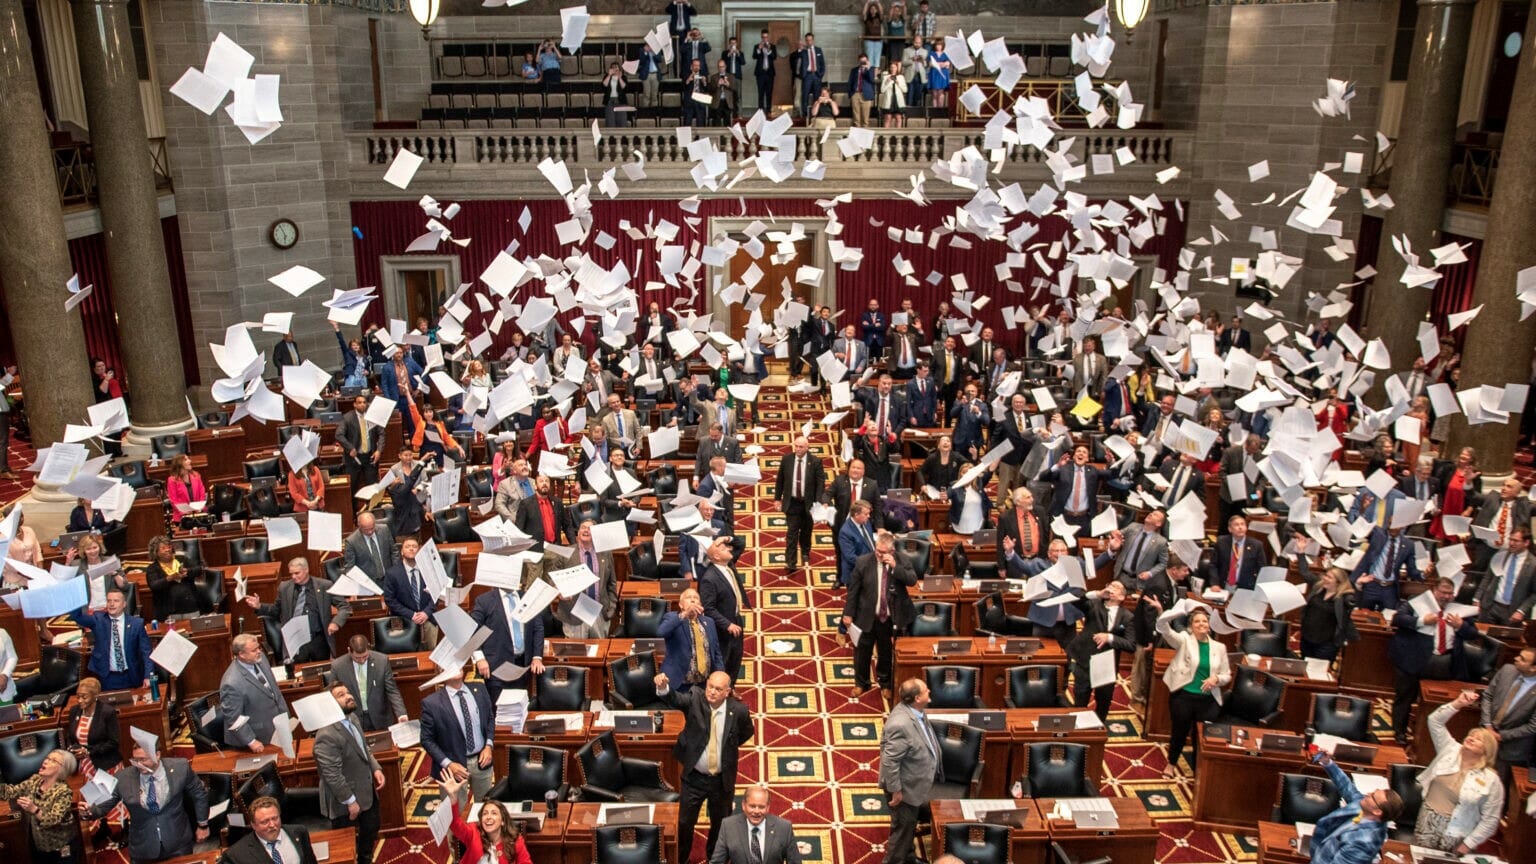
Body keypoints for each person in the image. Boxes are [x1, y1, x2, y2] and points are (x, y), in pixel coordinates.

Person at [654, 670, 753, 864]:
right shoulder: (695, 698)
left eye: (718, 689)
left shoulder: (739, 711)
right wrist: (663, 687)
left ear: (727, 692)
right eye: (710, 687)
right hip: (694, 778)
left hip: (721, 781)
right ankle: (681, 859)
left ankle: (714, 859)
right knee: (684, 823)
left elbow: (745, 733)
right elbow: (675, 699)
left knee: (720, 824)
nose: (712, 692)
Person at [83, 739, 209, 864]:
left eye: (143, 760)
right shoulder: (122, 777)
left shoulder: (181, 766)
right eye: (135, 760)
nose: (139, 764)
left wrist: (202, 825)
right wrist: (88, 811)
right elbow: (99, 806)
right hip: (143, 848)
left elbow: (199, 793)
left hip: (178, 844)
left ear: (157, 755)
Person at [1389, 577, 1478, 745]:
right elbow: (1398, 619)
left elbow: (1473, 633)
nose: (1446, 597)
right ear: (1433, 590)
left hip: (1443, 662)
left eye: (1450, 593)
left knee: (1436, 700)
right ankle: (1399, 732)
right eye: (1443, 592)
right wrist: (1421, 621)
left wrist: (1461, 626)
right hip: (1413, 659)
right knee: (1405, 697)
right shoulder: (1417, 602)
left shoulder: (1459, 609)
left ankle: (1428, 737)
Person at [1412, 691, 1504, 853]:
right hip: (1427, 818)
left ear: (1487, 750)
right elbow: (1434, 721)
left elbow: (1490, 820)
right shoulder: (1450, 749)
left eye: (1478, 739)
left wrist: (1467, 845)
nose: (1471, 738)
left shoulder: (1491, 780)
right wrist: (1458, 703)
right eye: (1470, 735)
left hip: (1458, 830)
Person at [1148, 603, 1229, 776]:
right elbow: (1163, 627)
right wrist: (1175, 612)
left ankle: (1198, 768)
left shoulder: (1219, 648)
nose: (1201, 624)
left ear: (1209, 626)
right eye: (1197, 622)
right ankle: (1171, 764)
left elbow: (1227, 675)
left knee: (1201, 737)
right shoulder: (1184, 640)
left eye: (1205, 622)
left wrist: (1216, 678)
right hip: (1184, 696)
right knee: (1179, 731)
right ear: (1191, 626)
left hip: (1208, 699)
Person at [314, 685, 386, 864]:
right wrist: (350, 801)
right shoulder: (326, 735)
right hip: (345, 801)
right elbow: (332, 775)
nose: (348, 696)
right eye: (341, 695)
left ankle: (365, 860)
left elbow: (364, 748)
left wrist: (375, 767)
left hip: (366, 789)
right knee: (346, 845)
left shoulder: (352, 718)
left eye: (347, 692)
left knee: (371, 828)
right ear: (330, 704)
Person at [843, 531, 917, 698]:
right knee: (862, 652)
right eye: (877, 550)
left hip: (889, 618)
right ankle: (861, 683)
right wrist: (848, 614)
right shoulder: (863, 562)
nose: (879, 554)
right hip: (866, 616)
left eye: (883, 552)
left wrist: (895, 567)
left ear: (891, 551)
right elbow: (853, 591)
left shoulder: (901, 560)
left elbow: (912, 580)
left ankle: (885, 683)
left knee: (885, 653)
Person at [879, 678, 941, 864]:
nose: (929, 690)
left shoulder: (914, 711)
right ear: (917, 698)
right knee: (902, 833)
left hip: (913, 784)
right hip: (904, 790)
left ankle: (909, 858)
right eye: (925, 690)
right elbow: (890, 761)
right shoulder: (900, 724)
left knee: (907, 828)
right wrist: (896, 791)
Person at [246, 558, 352, 663]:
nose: (293, 577)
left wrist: (336, 622)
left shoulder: (324, 585)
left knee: (321, 671)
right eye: (291, 574)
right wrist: (259, 606)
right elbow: (275, 610)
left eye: (297, 573)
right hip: (296, 640)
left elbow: (345, 606)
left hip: (318, 640)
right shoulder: (284, 587)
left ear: (306, 570)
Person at [1306, 749, 1402, 864]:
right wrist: (1328, 763)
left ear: (1377, 811)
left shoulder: (1363, 843)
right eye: (1373, 792)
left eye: (1373, 796)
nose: (1368, 794)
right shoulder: (1364, 807)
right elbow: (1347, 787)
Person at [420, 663, 496, 806]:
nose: (455, 666)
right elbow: (426, 739)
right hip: (453, 768)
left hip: (482, 762)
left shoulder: (479, 689)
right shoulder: (432, 703)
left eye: (457, 663)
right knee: (455, 813)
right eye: (449, 665)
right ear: (441, 674)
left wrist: (489, 745)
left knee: (486, 808)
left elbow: (490, 718)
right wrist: (448, 764)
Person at [1067, 581, 1136, 722]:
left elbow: (1131, 644)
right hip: (1086, 660)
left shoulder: (1127, 617)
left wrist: (1110, 638)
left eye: (1116, 587)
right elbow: (1074, 600)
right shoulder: (1093, 605)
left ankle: (1098, 729)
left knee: (1103, 701)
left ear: (1122, 597)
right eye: (1110, 585)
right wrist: (1097, 594)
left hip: (1107, 666)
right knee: (1080, 698)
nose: (1112, 588)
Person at [470, 578, 546, 703]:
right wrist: (480, 658)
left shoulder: (527, 598)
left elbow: (538, 628)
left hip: (523, 666)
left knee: (519, 710)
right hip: (496, 667)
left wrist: (537, 656)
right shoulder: (485, 600)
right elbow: (472, 630)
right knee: (499, 713)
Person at [0, 750, 80, 864]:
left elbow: (53, 819)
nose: (46, 761)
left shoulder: (63, 792)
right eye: (47, 758)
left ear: (62, 769)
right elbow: (10, 792)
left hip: (60, 848)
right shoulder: (35, 780)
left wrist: (34, 809)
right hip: (40, 845)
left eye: (53, 760)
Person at [69, 585, 151, 692]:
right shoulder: (98, 619)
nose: (112, 604)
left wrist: (148, 676)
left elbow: (146, 652)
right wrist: (76, 596)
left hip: (132, 675)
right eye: (109, 601)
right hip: (107, 677)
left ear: (124, 604)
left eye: (116, 601)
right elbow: (77, 617)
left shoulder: (136, 624)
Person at [438, 773, 532, 864]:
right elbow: (454, 823)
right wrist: (453, 797)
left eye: (494, 813)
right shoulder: (473, 833)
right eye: (485, 814)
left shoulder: (515, 841)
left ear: (502, 821)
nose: (488, 817)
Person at [219, 634, 287, 752]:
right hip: (258, 736)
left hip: (279, 724)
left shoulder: (261, 658)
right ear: (241, 654)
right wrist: (251, 741)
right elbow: (233, 717)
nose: (259, 651)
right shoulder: (231, 683)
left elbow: (272, 689)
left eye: (258, 647)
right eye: (254, 650)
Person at [555, 520, 618, 639]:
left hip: (599, 613)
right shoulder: (565, 554)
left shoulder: (605, 554)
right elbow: (553, 581)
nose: (586, 530)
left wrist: (611, 607)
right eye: (583, 528)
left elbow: (612, 583)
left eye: (589, 529)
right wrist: (559, 593)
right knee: (577, 656)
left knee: (599, 653)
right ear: (578, 533)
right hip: (574, 613)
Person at [330, 636, 407, 732]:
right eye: (357, 658)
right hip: (353, 718)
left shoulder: (382, 661)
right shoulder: (338, 666)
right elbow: (331, 696)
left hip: (380, 718)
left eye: (365, 656)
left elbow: (392, 690)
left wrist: (401, 713)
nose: (362, 661)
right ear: (349, 651)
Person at [1480, 648, 1536, 780]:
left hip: (1511, 749)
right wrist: (1488, 726)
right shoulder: (1507, 670)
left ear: (1534, 668)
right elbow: (1488, 696)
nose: (1516, 658)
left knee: (1496, 785)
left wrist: (1500, 736)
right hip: (1484, 737)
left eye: (1522, 659)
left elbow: (1533, 726)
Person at [709, 785, 801, 864]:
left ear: (768, 807)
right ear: (743, 805)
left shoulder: (784, 828)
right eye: (752, 806)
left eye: (761, 807)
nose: (756, 811)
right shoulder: (728, 826)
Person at [699, 537, 749, 682]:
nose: (728, 548)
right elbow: (708, 609)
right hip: (722, 628)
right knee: (724, 660)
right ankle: (720, 691)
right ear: (716, 556)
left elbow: (740, 544)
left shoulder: (729, 565)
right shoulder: (709, 578)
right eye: (723, 548)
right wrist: (727, 624)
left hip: (736, 619)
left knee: (736, 656)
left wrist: (726, 538)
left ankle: (730, 688)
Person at [774, 436, 826, 574]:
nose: (797, 449)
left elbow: (820, 483)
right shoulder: (787, 459)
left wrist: (818, 503)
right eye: (796, 446)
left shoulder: (815, 461)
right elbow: (780, 480)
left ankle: (805, 550)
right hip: (792, 502)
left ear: (807, 447)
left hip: (808, 503)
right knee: (792, 531)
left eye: (801, 447)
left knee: (806, 529)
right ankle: (790, 562)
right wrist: (777, 498)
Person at [219, 796, 319, 864]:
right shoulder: (236, 854)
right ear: (253, 825)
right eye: (265, 822)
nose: (272, 825)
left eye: (275, 818)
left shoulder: (299, 832)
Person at [1294, 554, 1358, 662]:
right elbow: (1305, 572)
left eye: (1329, 577)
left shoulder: (1344, 598)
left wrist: (1359, 586)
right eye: (1325, 575)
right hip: (1307, 638)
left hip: (1326, 644)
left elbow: (1352, 602)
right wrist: (1300, 553)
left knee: (1318, 671)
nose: (1325, 579)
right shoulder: (1318, 587)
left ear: (1338, 582)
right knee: (1303, 665)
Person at [659, 588, 724, 691]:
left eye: (696, 598)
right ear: (681, 604)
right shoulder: (673, 618)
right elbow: (661, 632)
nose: (693, 600)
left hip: (703, 685)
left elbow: (716, 653)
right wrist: (684, 614)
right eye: (689, 598)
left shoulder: (709, 622)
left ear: (700, 604)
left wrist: (720, 677)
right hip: (679, 684)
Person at [1475, 527, 1534, 625]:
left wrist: (1521, 611)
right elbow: (1487, 578)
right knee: (1483, 639)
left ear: (1526, 542)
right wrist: (1477, 598)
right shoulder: (1501, 555)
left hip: (1513, 612)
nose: (1511, 543)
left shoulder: (1533, 564)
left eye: (1516, 541)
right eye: (1510, 539)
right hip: (1490, 607)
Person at [64, 679, 121, 775]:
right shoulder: (74, 711)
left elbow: (113, 742)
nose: (80, 700)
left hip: (105, 764)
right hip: (82, 764)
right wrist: (73, 749)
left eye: (84, 697)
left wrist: (88, 751)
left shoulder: (107, 712)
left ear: (95, 696)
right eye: (78, 697)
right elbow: (70, 736)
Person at [140, 535, 204, 618]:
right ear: (156, 552)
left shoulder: (182, 559)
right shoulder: (152, 568)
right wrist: (170, 578)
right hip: (169, 611)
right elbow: (154, 585)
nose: (168, 550)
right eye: (163, 548)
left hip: (191, 606)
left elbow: (199, 570)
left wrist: (188, 571)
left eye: (169, 547)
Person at [336, 394, 380, 501]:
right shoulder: (348, 417)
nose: (362, 405)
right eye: (359, 403)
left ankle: (371, 512)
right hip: (353, 459)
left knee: (372, 488)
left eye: (364, 402)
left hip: (370, 457)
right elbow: (338, 434)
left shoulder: (372, 416)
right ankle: (355, 514)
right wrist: (350, 447)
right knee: (353, 489)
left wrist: (379, 450)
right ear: (354, 405)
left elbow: (382, 433)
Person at [1206, 514, 1266, 591]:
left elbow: (1262, 569)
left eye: (1242, 524)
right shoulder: (1221, 542)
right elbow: (1213, 565)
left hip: (1246, 588)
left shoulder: (1256, 545)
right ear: (1230, 529)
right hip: (1223, 586)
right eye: (1236, 525)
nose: (1240, 527)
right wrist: (1214, 583)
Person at [515, 474, 574, 550]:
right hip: (535, 550)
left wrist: (574, 545)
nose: (544, 483)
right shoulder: (526, 504)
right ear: (535, 486)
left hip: (555, 547)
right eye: (541, 481)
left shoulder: (557, 502)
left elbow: (567, 525)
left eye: (547, 481)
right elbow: (519, 529)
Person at [343, 512, 397, 590]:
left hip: (389, 578)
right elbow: (350, 567)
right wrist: (353, 587)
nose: (370, 532)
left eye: (372, 528)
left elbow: (394, 551)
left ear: (375, 523)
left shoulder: (384, 529)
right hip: (368, 585)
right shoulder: (351, 541)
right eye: (366, 529)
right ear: (359, 527)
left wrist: (395, 572)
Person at [164, 454, 206, 525]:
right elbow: (173, 500)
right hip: (182, 517)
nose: (190, 461)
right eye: (186, 459)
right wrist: (185, 512)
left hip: (198, 514)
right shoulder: (172, 480)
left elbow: (202, 493)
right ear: (179, 463)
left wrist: (200, 508)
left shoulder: (196, 475)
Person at [796, 33, 824, 118]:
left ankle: (815, 115)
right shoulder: (803, 51)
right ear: (805, 41)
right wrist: (800, 49)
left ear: (813, 40)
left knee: (817, 96)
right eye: (807, 40)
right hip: (807, 76)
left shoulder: (818, 50)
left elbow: (822, 63)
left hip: (816, 75)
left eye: (810, 40)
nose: (809, 42)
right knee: (805, 96)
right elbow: (797, 58)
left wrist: (820, 74)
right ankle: (804, 115)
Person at [848, 54, 876, 127]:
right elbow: (850, 82)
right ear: (859, 61)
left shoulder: (871, 69)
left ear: (867, 61)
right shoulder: (854, 70)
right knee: (856, 118)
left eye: (864, 61)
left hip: (866, 94)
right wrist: (851, 94)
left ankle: (865, 136)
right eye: (861, 61)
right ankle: (857, 136)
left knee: (865, 118)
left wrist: (868, 68)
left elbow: (871, 80)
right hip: (855, 94)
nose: (863, 63)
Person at [751, 29, 775, 112]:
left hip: (769, 73)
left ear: (768, 37)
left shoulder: (772, 46)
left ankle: (768, 110)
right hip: (760, 73)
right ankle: (760, 110)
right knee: (760, 92)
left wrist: (768, 50)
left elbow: (774, 57)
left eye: (766, 37)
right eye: (763, 37)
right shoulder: (756, 46)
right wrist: (758, 49)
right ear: (761, 37)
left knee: (769, 93)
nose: (765, 39)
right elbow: (754, 56)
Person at [878, 59, 907, 126]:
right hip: (888, 100)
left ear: (897, 68)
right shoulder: (886, 77)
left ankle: (898, 136)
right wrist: (888, 82)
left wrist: (898, 83)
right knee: (887, 118)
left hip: (898, 101)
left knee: (898, 118)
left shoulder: (901, 77)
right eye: (891, 67)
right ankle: (885, 135)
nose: (893, 69)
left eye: (894, 67)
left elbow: (905, 90)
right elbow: (882, 90)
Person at [927, 41, 950, 109]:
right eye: (937, 45)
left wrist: (941, 64)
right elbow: (930, 63)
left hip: (942, 74)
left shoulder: (945, 54)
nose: (938, 47)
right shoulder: (932, 53)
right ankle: (934, 110)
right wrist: (940, 64)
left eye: (940, 45)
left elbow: (947, 63)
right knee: (934, 94)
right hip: (934, 74)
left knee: (941, 93)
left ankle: (940, 110)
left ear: (942, 46)